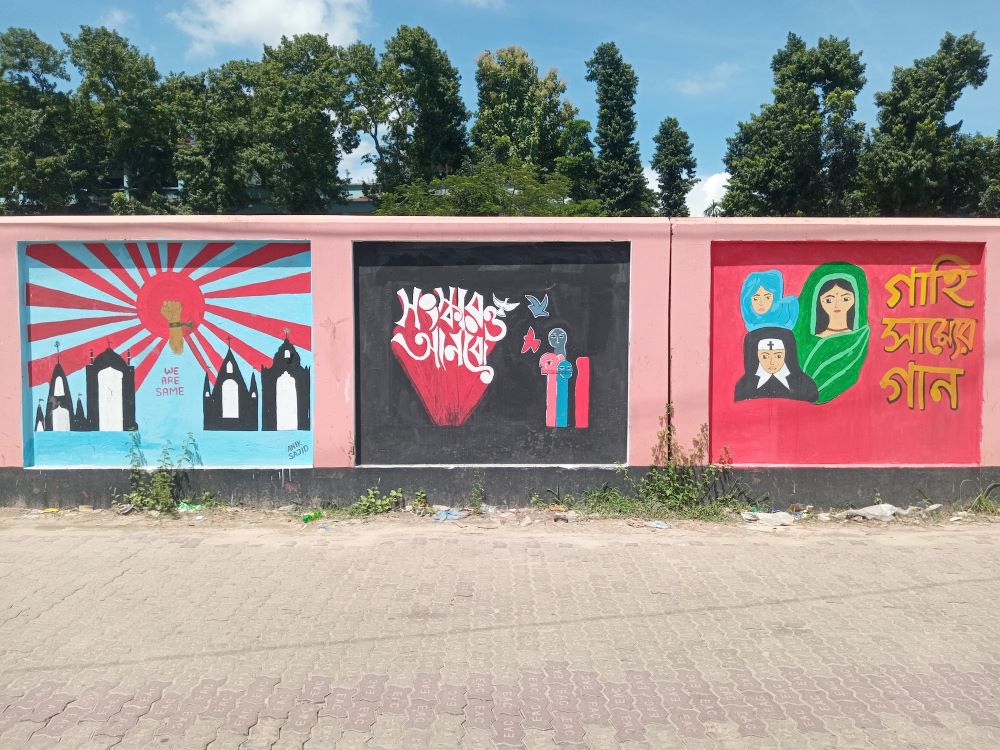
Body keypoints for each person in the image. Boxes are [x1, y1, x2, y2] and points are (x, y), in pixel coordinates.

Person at [791, 262, 870, 404]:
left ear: (855, 300)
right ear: (818, 302)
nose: (837, 305)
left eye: (845, 298)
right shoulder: (804, 342)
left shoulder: (858, 339)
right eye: (829, 299)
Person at [734, 327, 818, 402]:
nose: (772, 362)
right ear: (756, 355)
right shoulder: (743, 387)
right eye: (765, 356)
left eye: (778, 356)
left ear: (787, 354)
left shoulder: (806, 386)